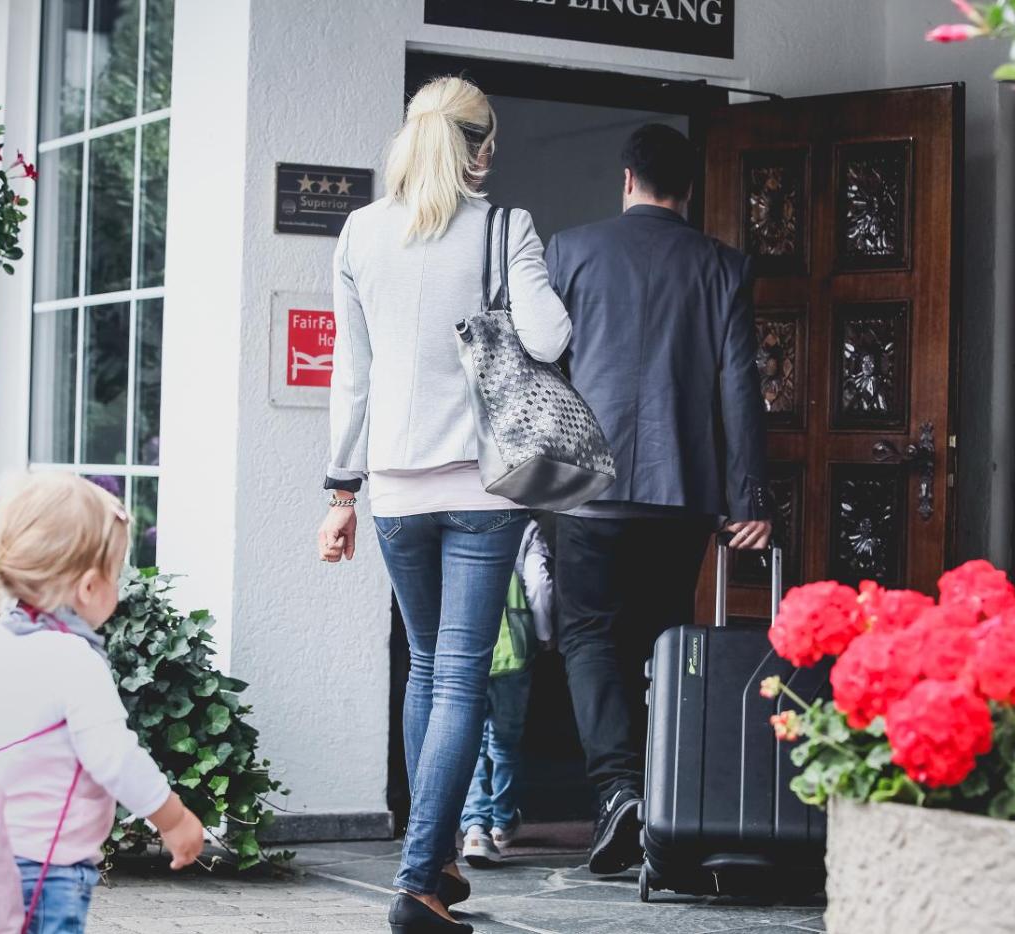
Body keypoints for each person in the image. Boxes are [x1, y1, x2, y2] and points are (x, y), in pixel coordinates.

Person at [316, 76, 571, 934]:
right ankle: (419, 878)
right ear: (482, 148)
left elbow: (350, 377)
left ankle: (438, 862)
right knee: (459, 675)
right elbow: (550, 337)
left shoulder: (360, 232)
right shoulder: (504, 227)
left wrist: (340, 491)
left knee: (427, 667)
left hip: (392, 488)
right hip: (480, 486)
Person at [545, 123, 771, 876]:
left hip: (586, 489)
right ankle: (666, 803)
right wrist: (750, 497)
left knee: (588, 637)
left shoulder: (570, 252)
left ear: (626, 178)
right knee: (665, 640)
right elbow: (740, 388)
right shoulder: (722, 265)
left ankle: (618, 791)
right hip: (683, 494)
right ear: (690, 188)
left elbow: (539, 367)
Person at [0, 472, 205, 933]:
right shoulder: (74, 659)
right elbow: (114, 757)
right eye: (116, 575)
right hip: (43, 870)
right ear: (88, 587)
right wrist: (173, 817)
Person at [459, 518, 554, 867]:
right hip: (514, 653)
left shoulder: (460, 521)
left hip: (466, 650)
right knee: (504, 741)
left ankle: (474, 826)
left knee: (469, 741)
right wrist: (544, 635)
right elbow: (539, 585)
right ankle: (501, 821)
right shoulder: (525, 528)